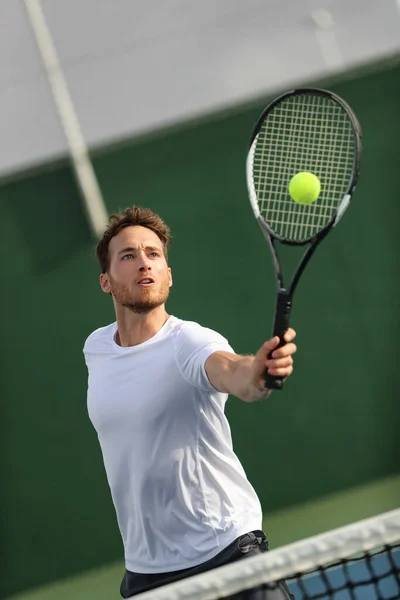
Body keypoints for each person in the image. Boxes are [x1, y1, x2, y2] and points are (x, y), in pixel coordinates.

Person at [84, 206, 297, 599]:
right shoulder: (97, 347)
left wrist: (258, 373)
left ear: (168, 274)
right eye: (128, 256)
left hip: (226, 555)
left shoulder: (189, 342)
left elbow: (234, 372)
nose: (143, 263)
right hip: (147, 573)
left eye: (153, 254)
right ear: (106, 281)